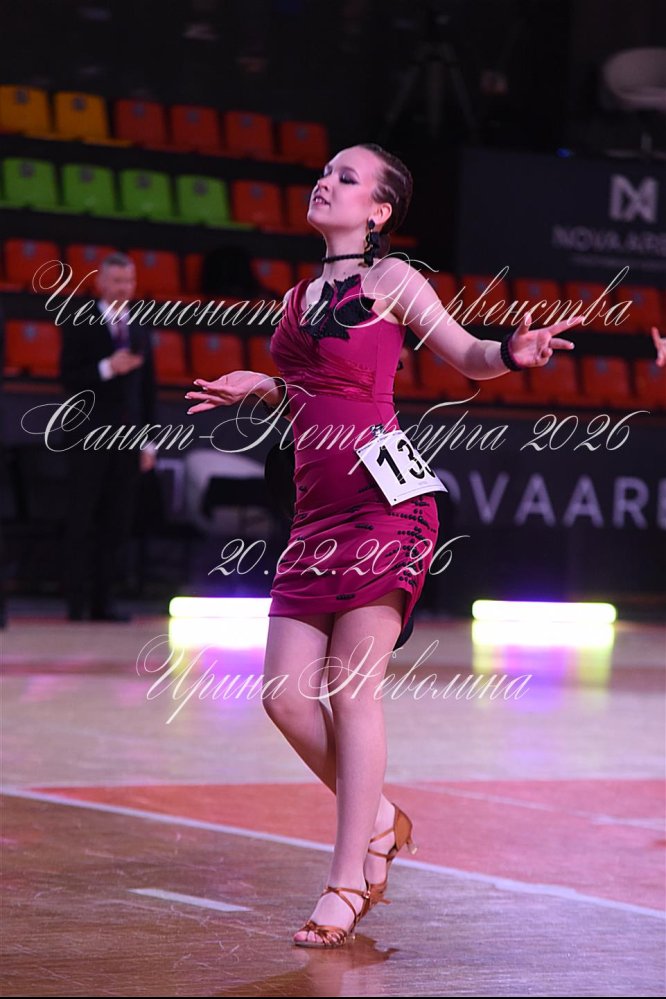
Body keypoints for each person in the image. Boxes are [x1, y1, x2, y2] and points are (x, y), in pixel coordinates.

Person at [184, 143, 584, 948]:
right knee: (283, 696)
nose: (324, 182)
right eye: (324, 171)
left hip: (385, 503)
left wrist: (513, 352)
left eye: (346, 176)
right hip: (314, 514)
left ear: (378, 211)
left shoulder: (394, 280)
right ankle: (382, 817)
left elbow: (466, 355)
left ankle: (345, 880)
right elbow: (313, 388)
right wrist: (265, 386)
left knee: (348, 688)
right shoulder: (296, 297)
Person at [59, 252, 157, 622]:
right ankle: (76, 603)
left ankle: (104, 603)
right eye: (116, 281)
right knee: (82, 518)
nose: (123, 288)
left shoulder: (139, 329)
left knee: (117, 521)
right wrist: (106, 368)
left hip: (127, 440)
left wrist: (149, 441)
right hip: (87, 437)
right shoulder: (80, 321)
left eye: (128, 282)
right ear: (101, 283)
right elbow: (68, 378)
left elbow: (147, 391)